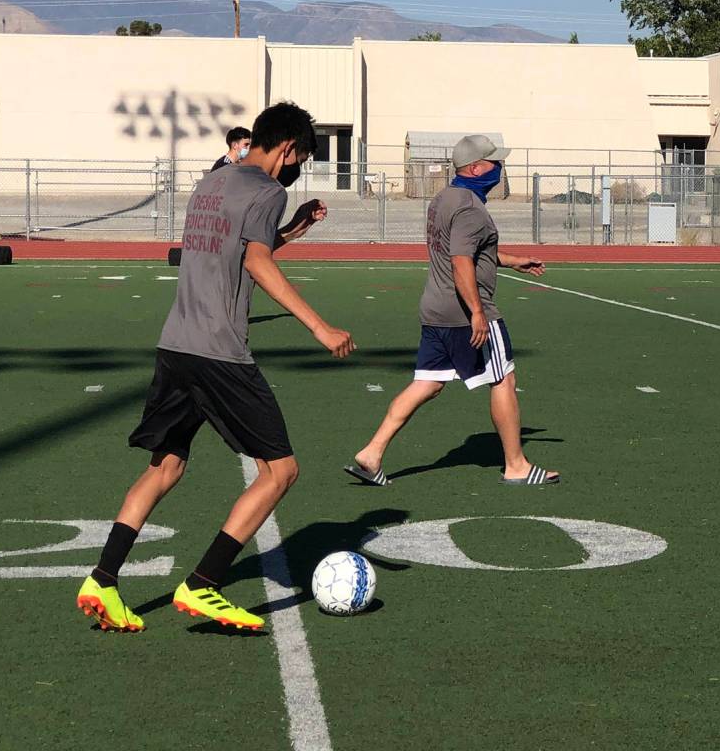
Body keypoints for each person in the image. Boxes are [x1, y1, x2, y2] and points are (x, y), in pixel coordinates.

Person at [77, 102, 354, 632]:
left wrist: (294, 228)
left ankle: (104, 578)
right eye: (302, 157)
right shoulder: (269, 189)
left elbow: (244, 245)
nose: (297, 169)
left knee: (165, 466)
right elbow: (254, 259)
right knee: (281, 470)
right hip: (219, 351)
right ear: (289, 148)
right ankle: (204, 585)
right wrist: (320, 328)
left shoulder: (213, 182)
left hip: (176, 343)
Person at [345, 134, 559, 488]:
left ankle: (372, 452)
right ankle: (516, 465)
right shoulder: (471, 208)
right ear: (476, 168)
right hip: (467, 312)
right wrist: (476, 311)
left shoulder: (444, 199)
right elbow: (461, 261)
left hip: (435, 309)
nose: (500, 168)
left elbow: (466, 250)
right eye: (495, 163)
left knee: (427, 383)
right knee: (503, 379)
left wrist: (512, 261)